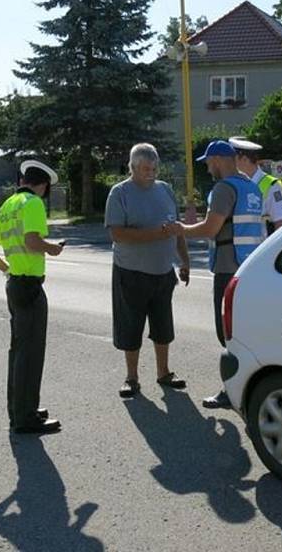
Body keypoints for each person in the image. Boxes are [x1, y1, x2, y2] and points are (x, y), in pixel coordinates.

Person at [165, 140, 264, 409]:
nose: (208, 168)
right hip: (250, 267)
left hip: (227, 268)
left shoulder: (223, 189)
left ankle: (230, 392)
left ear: (219, 159)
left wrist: (180, 229)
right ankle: (248, 388)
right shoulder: (251, 187)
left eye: (208, 162)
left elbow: (210, 229)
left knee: (227, 334)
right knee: (245, 332)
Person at [0, 160, 63, 434]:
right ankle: (25, 419)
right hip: (29, 287)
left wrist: (6, 269)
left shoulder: (8, 205)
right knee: (31, 353)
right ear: (43, 185)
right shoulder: (33, 203)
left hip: (15, 283)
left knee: (18, 351)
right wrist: (52, 249)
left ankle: (20, 409)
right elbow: (32, 241)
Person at [104, 143, 190, 398]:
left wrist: (184, 261)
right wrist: (157, 233)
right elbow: (117, 234)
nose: (150, 173)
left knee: (163, 326)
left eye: (154, 168)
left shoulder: (164, 190)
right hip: (130, 272)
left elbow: (177, 230)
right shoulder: (119, 193)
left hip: (163, 272)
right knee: (130, 326)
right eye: (144, 169)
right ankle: (131, 378)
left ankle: (164, 373)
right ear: (132, 167)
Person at [230, 136, 282, 232]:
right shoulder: (233, 182)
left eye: (233, 160)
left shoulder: (271, 185)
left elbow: (279, 222)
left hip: (259, 245)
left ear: (244, 159)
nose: (231, 164)